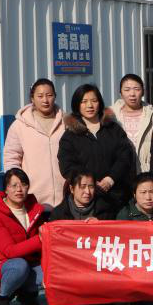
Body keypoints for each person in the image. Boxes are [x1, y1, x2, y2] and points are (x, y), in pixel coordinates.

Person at [0, 168, 47, 305]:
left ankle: (27, 294)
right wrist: (39, 239)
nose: (19, 189)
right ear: (6, 189)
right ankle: (3, 297)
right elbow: (10, 251)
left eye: (23, 184)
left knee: (49, 270)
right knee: (19, 266)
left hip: (26, 262)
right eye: (14, 185)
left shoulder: (35, 209)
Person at [57, 83, 134, 216]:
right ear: (77, 105)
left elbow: (125, 156)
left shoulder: (113, 129)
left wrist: (110, 179)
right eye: (84, 102)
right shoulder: (70, 136)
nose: (90, 105)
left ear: (100, 103)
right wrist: (89, 183)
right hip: (86, 199)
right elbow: (67, 165)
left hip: (117, 196)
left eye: (94, 101)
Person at [3, 78, 66, 208]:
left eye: (49, 95)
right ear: (32, 98)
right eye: (40, 96)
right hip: (33, 200)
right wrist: (18, 186)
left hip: (66, 199)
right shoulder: (19, 126)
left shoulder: (67, 123)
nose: (45, 100)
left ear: (55, 96)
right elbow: (11, 159)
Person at [112, 74, 153, 173]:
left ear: (143, 92)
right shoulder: (110, 117)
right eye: (127, 89)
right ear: (120, 93)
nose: (132, 94)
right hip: (118, 174)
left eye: (137, 89)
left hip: (146, 174)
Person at [49, 169, 114, 221]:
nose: (87, 192)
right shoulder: (59, 214)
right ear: (72, 189)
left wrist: (100, 224)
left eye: (91, 187)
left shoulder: (106, 211)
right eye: (82, 187)